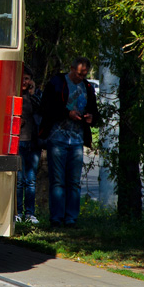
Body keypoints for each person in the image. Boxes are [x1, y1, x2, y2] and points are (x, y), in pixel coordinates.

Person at [39, 57, 100, 227]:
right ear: (71, 68)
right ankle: (56, 218)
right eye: (79, 73)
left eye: (84, 74)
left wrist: (90, 118)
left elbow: (94, 112)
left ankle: (71, 218)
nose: (81, 77)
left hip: (77, 140)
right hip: (57, 138)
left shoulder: (87, 87)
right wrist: (67, 113)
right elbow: (46, 107)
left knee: (73, 181)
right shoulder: (57, 83)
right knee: (58, 180)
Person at [14, 67, 42, 224]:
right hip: (18, 142)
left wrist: (32, 95)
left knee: (30, 181)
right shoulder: (14, 94)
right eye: (23, 78)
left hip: (33, 142)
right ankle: (17, 212)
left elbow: (43, 110)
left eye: (27, 79)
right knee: (18, 180)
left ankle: (30, 213)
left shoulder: (36, 96)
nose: (25, 82)